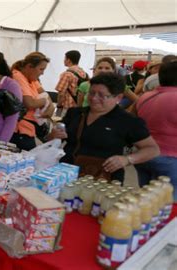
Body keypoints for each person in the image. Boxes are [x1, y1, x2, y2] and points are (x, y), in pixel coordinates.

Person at [47, 72, 159, 182]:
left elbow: (152, 149)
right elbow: (53, 140)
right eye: (91, 93)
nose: (94, 98)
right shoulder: (75, 113)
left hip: (103, 178)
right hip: (65, 174)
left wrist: (127, 159)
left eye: (101, 95)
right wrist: (53, 136)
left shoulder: (128, 121)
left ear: (118, 97)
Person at [135, 61, 177, 200]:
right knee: (167, 205)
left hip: (143, 155)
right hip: (170, 158)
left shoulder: (145, 97)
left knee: (146, 202)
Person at [10, 52, 54, 150]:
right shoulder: (18, 77)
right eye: (41, 69)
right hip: (19, 129)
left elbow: (46, 95)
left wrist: (50, 105)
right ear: (29, 67)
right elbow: (29, 103)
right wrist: (44, 102)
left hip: (29, 127)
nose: (42, 73)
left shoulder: (32, 79)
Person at [55, 50, 89, 115]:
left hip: (68, 109)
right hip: (80, 107)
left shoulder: (66, 74)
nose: (64, 60)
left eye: (65, 58)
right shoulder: (85, 74)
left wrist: (59, 107)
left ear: (68, 60)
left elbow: (61, 94)